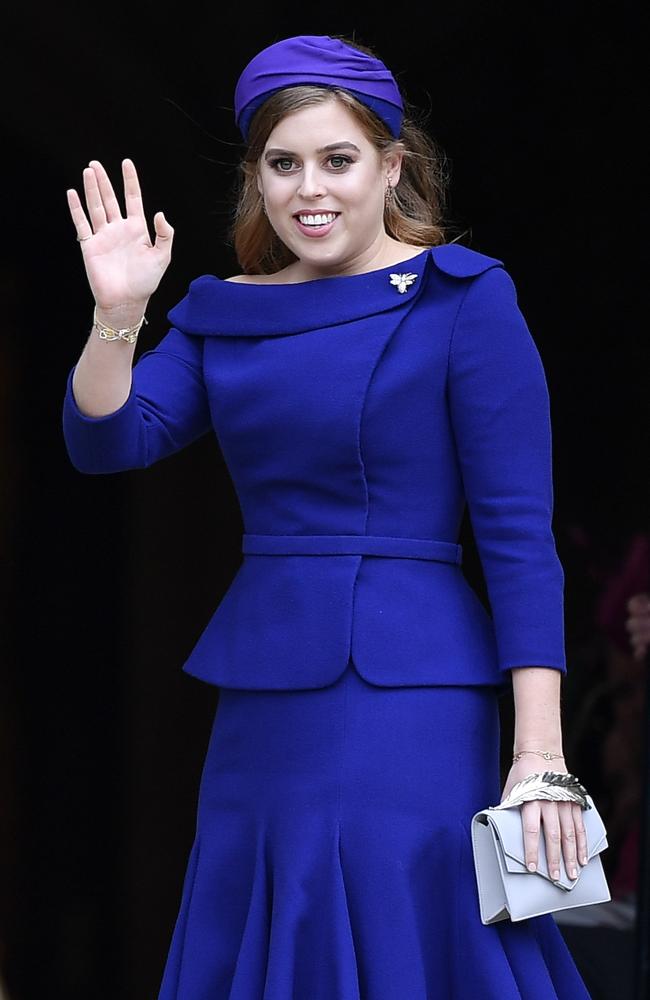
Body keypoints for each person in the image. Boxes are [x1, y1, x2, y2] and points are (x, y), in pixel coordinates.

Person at [62, 33, 594, 1000]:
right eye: (284, 163)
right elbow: (109, 440)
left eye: (338, 159)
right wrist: (117, 315)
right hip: (265, 691)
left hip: (413, 695)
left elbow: (519, 540)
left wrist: (540, 757)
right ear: (256, 177)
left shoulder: (465, 301)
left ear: (392, 165)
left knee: (399, 934)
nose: (311, 188)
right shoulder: (226, 311)